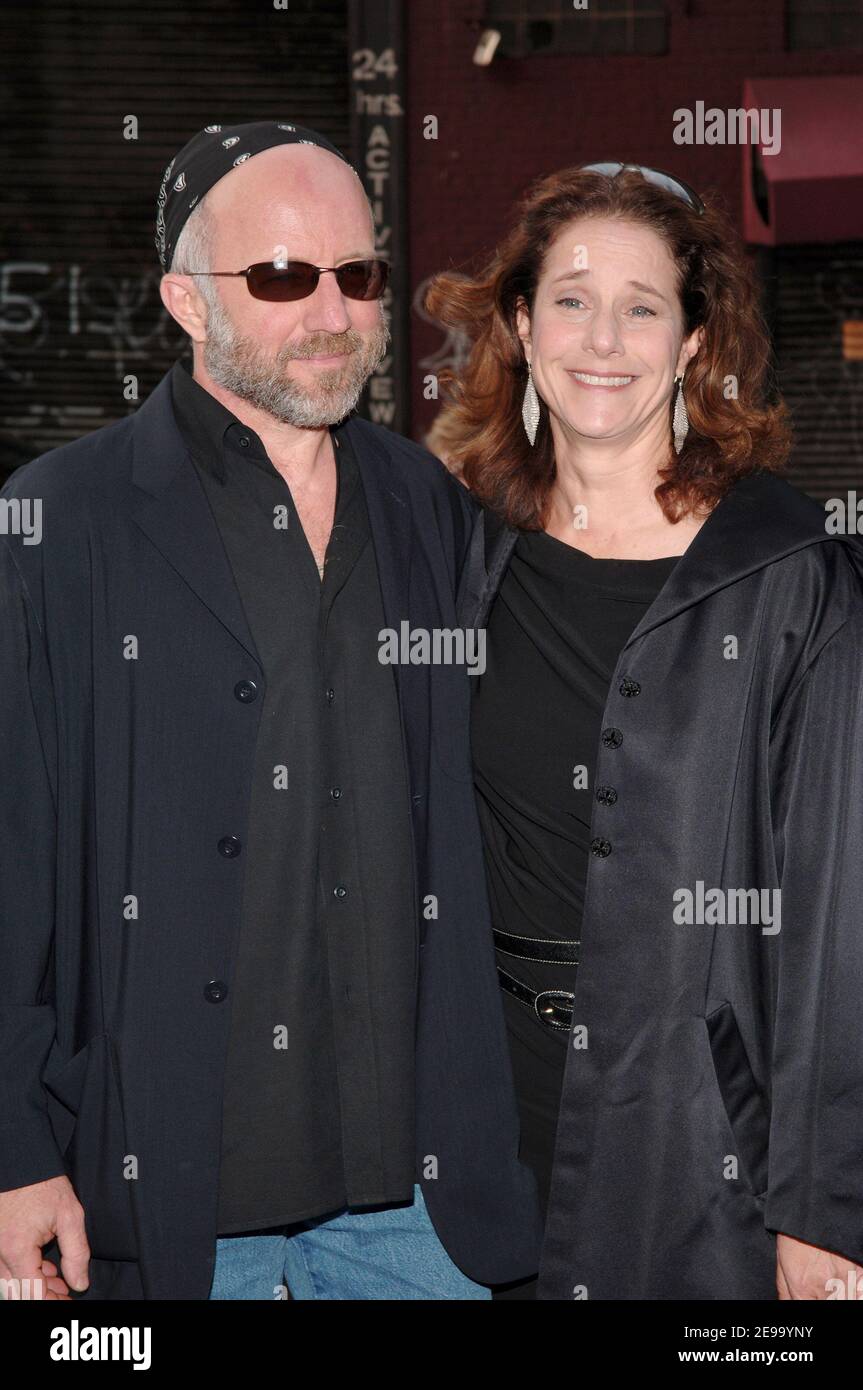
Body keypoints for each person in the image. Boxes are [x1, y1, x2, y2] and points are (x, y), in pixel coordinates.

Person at [0, 121, 542, 1301]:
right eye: (287, 277)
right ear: (187, 303)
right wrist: (14, 1153)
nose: (335, 312)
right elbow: (13, 859)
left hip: (416, 1206)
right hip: (166, 1204)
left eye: (358, 275)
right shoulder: (60, 524)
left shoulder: (424, 504)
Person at [428, 162, 863, 1300]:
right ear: (520, 325)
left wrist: (825, 1207)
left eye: (641, 305)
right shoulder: (463, 554)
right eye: (569, 298)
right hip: (480, 1120)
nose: (601, 337)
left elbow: (837, 910)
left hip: (697, 1134)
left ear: (690, 341)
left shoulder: (790, 578)